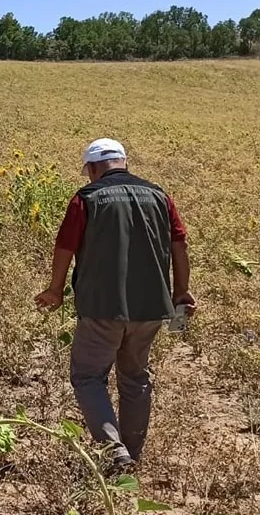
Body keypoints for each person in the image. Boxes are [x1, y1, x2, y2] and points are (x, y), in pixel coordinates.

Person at [35, 138, 194, 472]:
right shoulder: (160, 196)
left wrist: (55, 289)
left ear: (92, 168)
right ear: (124, 162)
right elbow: (179, 245)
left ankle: (114, 450)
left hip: (101, 306)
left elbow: (65, 246)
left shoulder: (87, 198)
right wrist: (181, 292)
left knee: (89, 376)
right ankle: (132, 455)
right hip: (151, 306)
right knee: (135, 377)